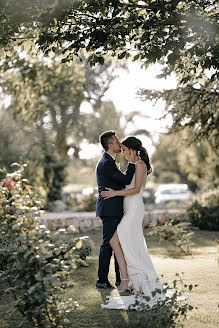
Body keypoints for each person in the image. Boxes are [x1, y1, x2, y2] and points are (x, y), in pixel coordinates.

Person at [101, 136, 166, 309]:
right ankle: (128, 279)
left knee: (116, 241)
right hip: (129, 210)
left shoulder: (140, 165)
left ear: (132, 150)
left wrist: (114, 193)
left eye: (124, 150)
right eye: (121, 149)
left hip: (135, 210)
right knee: (122, 242)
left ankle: (129, 279)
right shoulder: (133, 165)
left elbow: (136, 189)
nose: (122, 153)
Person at [96, 131, 136, 289]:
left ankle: (120, 279)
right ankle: (102, 280)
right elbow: (125, 180)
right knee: (108, 245)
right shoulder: (106, 163)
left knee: (117, 244)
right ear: (110, 145)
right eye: (117, 141)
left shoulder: (109, 161)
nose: (120, 144)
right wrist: (132, 162)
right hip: (110, 210)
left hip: (113, 209)